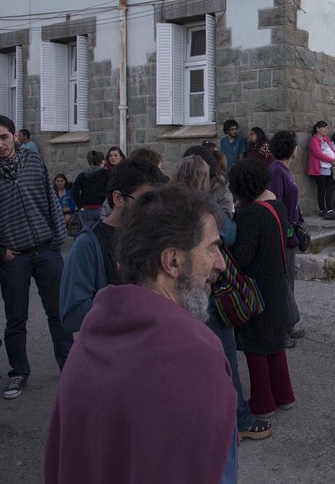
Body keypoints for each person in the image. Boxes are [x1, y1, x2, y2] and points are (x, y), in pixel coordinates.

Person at [43, 185, 237, 483]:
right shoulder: (196, 356)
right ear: (172, 260)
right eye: (212, 247)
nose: (221, 263)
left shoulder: (93, 337)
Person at [0, 115, 73, 400]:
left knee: (59, 313)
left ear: (15, 135)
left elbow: (51, 200)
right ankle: (18, 373)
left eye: (4, 137)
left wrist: (57, 237)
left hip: (46, 251)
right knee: (16, 318)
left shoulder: (33, 161)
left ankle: (71, 368)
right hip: (14, 258)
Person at [174, 155, 272, 441]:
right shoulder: (205, 207)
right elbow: (228, 235)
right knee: (225, 357)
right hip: (208, 290)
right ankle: (239, 420)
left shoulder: (166, 205)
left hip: (178, 290)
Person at [59, 158, 168, 333]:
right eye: (146, 201)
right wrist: (131, 297)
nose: (154, 210)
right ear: (118, 198)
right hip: (112, 352)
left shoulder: (153, 238)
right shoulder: (88, 244)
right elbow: (72, 316)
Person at [227, 159, 296, 419]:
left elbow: (241, 256)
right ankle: (284, 396)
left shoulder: (251, 214)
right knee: (275, 342)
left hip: (255, 285)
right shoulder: (275, 205)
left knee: (255, 346)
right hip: (277, 282)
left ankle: (263, 404)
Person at [268, 130, 305, 346]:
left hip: (289, 236)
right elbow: (276, 204)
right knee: (283, 283)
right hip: (283, 236)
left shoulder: (283, 170)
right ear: (291, 149)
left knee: (289, 282)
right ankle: (281, 332)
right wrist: (288, 231)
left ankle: (288, 326)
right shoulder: (276, 171)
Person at [307, 120, 335, 219]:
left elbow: (333, 150)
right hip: (319, 169)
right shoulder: (313, 140)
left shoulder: (326, 139)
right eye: (324, 127)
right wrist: (331, 160)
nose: (326, 129)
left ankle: (329, 209)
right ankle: (322, 209)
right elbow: (318, 154)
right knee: (322, 189)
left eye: (327, 128)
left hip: (329, 168)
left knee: (331, 188)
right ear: (317, 128)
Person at [71, 150, 110, 228]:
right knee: (101, 235)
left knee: (88, 234)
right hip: (102, 209)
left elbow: (73, 192)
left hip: (86, 209)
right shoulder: (106, 174)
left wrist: (80, 206)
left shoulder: (82, 175)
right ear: (102, 161)